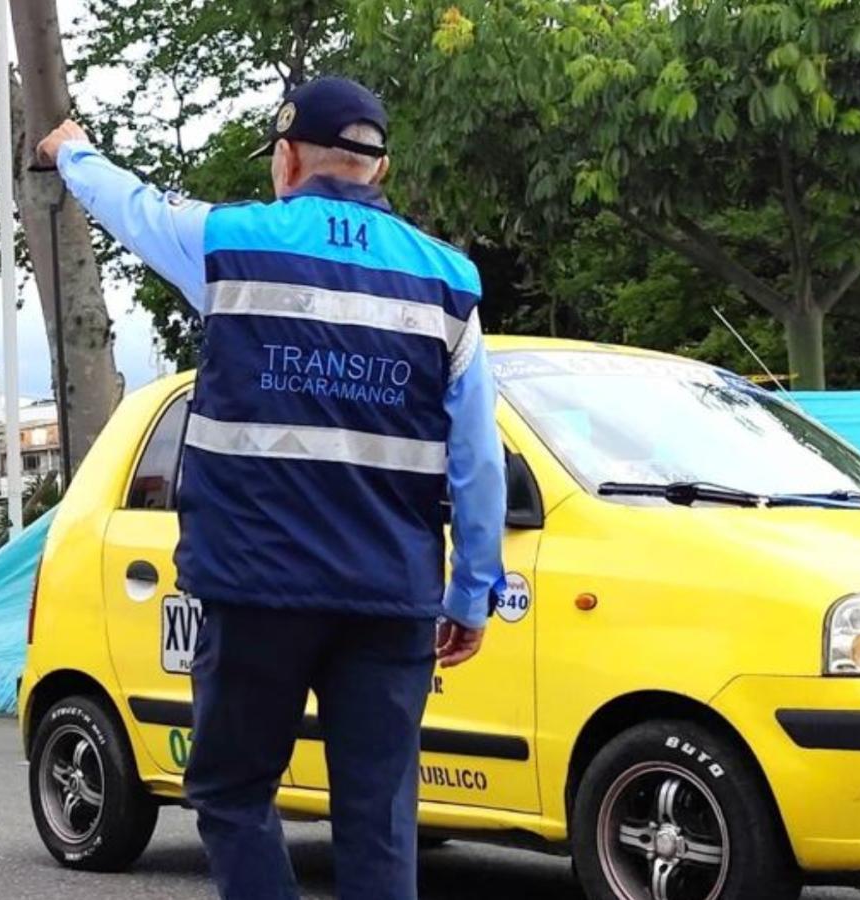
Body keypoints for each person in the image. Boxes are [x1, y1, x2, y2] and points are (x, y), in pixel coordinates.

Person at [37, 76, 507, 900]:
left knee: (231, 790)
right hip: (391, 596)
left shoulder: (229, 243)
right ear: (379, 166)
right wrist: (471, 593)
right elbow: (478, 461)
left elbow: (134, 207)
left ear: (288, 158)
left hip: (256, 590)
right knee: (379, 815)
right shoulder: (449, 283)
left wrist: (71, 151)